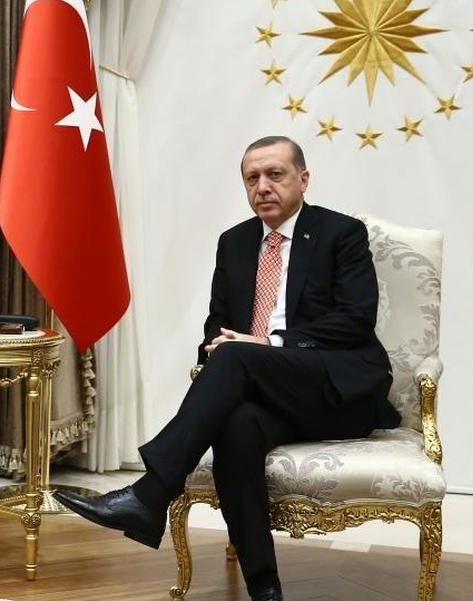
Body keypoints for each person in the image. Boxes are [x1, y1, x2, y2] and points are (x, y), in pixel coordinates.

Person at [54, 136, 400, 601]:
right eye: (252, 178)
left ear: (303, 178)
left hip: (335, 390)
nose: (263, 186)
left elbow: (355, 319)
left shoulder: (342, 233)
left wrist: (268, 343)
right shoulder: (235, 243)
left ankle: (151, 493)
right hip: (263, 390)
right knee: (236, 426)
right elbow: (217, 323)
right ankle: (265, 588)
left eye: (275, 175)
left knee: (238, 356)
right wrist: (217, 352)